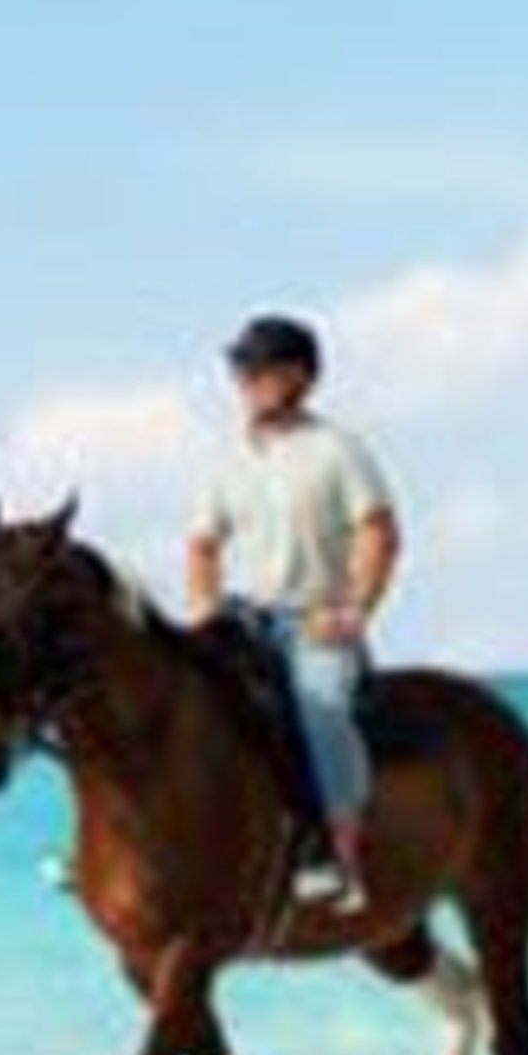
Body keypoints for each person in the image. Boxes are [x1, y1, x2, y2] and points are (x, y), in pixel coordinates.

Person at [187, 311, 402, 908]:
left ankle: (340, 858)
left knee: (323, 708)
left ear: (301, 377)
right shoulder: (224, 457)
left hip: (315, 619)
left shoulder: (336, 450)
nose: (246, 380)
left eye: (260, 368)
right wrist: (204, 605)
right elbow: (203, 544)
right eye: (241, 368)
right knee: (164, 694)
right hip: (241, 619)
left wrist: (355, 608)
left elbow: (379, 533)